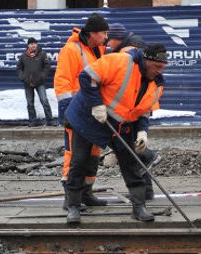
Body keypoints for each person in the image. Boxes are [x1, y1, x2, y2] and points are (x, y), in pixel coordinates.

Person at [63, 44, 168, 224]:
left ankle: (139, 206)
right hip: (89, 116)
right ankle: (73, 206)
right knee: (79, 160)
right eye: (157, 67)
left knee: (131, 162)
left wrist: (142, 131)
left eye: (163, 68)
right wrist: (96, 104)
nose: (159, 72)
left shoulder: (156, 84)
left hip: (120, 124)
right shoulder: (120, 61)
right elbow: (87, 76)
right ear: (146, 60)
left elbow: (143, 111)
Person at [54, 13, 109, 209]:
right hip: (77, 112)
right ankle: (71, 198)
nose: (106, 36)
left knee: (93, 153)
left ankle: (86, 193)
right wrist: (68, 112)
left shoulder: (98, 50)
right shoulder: (71, 50)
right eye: (103, 33)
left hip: (93, 111)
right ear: (92, 33)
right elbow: (62, 82)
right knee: (74, 155)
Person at [106, 23, 161, 200]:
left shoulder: (128, 51)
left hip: (135, 105)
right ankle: (147, 192)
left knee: (132, 150)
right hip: (138, 103)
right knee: (134, 147)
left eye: (110, 39)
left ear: (117, 38)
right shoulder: (129, 46)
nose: (108, 42)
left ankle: (148, 157)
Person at [17, 37, 53, 127]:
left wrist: (42, 76)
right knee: (30, 103)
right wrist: (23, 77)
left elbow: (47, 66)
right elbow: (19, 68)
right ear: (28, 45)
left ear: (36, 45)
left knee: (44, 101)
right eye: (31, 43)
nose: (33, 45)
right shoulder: (23, 56)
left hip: (39, 82)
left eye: (34, 43)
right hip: (27, 83)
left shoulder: (42, 54)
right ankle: (32, 121)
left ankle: (50, 120)